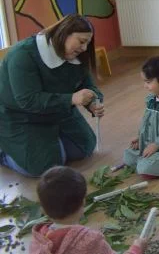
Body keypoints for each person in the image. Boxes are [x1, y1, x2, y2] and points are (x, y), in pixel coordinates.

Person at [0, 14, 104, 177]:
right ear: (64, 33)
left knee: (85, 147)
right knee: (45, 167)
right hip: (22, 118)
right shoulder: (23, 55)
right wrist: (71, 99)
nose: (84, 48)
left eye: (87, 43)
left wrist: (92, 101)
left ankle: (50, 144)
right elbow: (28, 100)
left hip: (58, 111)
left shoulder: (76, 56)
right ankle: (5, 152)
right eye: (81, 41)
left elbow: (88, 85)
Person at [30, 166, 147, 254]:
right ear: (83, 202)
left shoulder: (38, 240)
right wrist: (136, 249)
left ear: (43, 210)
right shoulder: (90, 241)